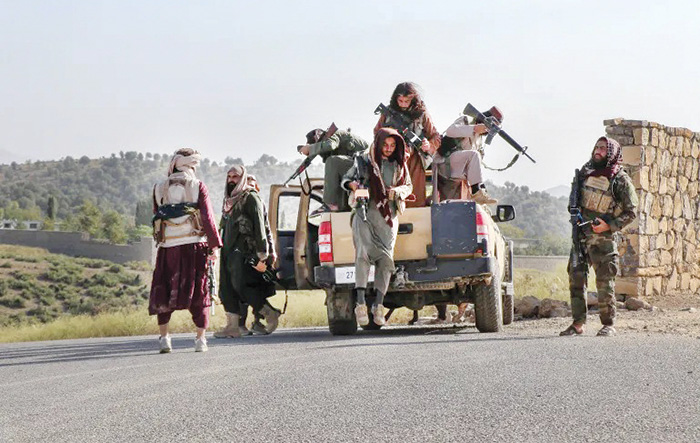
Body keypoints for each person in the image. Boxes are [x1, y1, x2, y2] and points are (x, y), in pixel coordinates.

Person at [560, 136, 638, 337]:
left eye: (603, 148)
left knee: (605, 282)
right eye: (597, 147)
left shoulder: (619, 179)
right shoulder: (584, 173)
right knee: (576, 278)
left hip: (604, 240)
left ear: (611, 153)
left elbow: (631, 212)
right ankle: (578, 323)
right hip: (581, 236)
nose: (598, 151)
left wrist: (609, 226)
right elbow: (573, 203)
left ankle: (608, 324)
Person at [149, 148, 222, 353]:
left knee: (164, 291)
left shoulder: (158, 188)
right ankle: (200, 340)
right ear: (191, 165)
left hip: (167, 249)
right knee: (200, 292)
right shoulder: (198, 186)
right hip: (194, 247)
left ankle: (165, 339)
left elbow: (156, 215)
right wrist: (214, 246)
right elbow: (207, 217)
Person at [341, 127, 413, 326]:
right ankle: (360, 304)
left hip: (388, 216)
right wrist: (354, 186)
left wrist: (397, 192)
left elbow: (408, 186)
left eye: (392, 145)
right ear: (379, 143)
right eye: (385, 145)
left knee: (386, 259)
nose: (388, 149)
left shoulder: (400, 164)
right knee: (362, 255)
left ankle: (378, 306)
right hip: (365, 213)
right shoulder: (364, 161)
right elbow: (346, 179)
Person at [215, 165, 281, 338]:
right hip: (228, 251)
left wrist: (262, 254)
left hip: (245, 251)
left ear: (242, 178)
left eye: (235, 177)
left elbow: (261, 226)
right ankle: (232, 326)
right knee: (227, 288)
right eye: (229, 177)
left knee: (243, 287)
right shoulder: (229, 201)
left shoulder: (251, 198)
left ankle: (270, 313)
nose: (231, 180)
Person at [374, 82, 440, 207]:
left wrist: (428, 145)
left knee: (415, 199)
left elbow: (435, 136)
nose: (403, 104)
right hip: (392, 159)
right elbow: (377, 132)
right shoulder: (388, 113)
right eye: (400, 101)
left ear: (413, 100)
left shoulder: (421, 114)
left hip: (415, 160)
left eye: (406, 101)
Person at [433, 107, 501, 204]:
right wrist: (474, 128)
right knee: (474, 155)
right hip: (444, 163)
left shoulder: (479, 139)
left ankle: (480, 192)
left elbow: (474, 167)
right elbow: (450, 131)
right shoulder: (466, 121)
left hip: (457, 171)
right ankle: (476, 192)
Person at [238, 174, 276, 336]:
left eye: (252, 184)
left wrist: (271, 252)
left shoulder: (258, 203)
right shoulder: (238, 203)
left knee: (258, 288)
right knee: (243, 289)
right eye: (246, 183)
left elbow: (266, 229)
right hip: (245, 254)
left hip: (258, 253)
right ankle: (241, 324)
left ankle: (257, 322)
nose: (249, 186)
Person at [298, 127, 369, 213]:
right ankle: (342, 206)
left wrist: (310, 148)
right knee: (335, 171)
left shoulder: (333, 135)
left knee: (332, 161)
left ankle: (331, 204)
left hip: (365, 165)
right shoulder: (337, 157)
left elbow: (330, 145)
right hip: (358, 168)